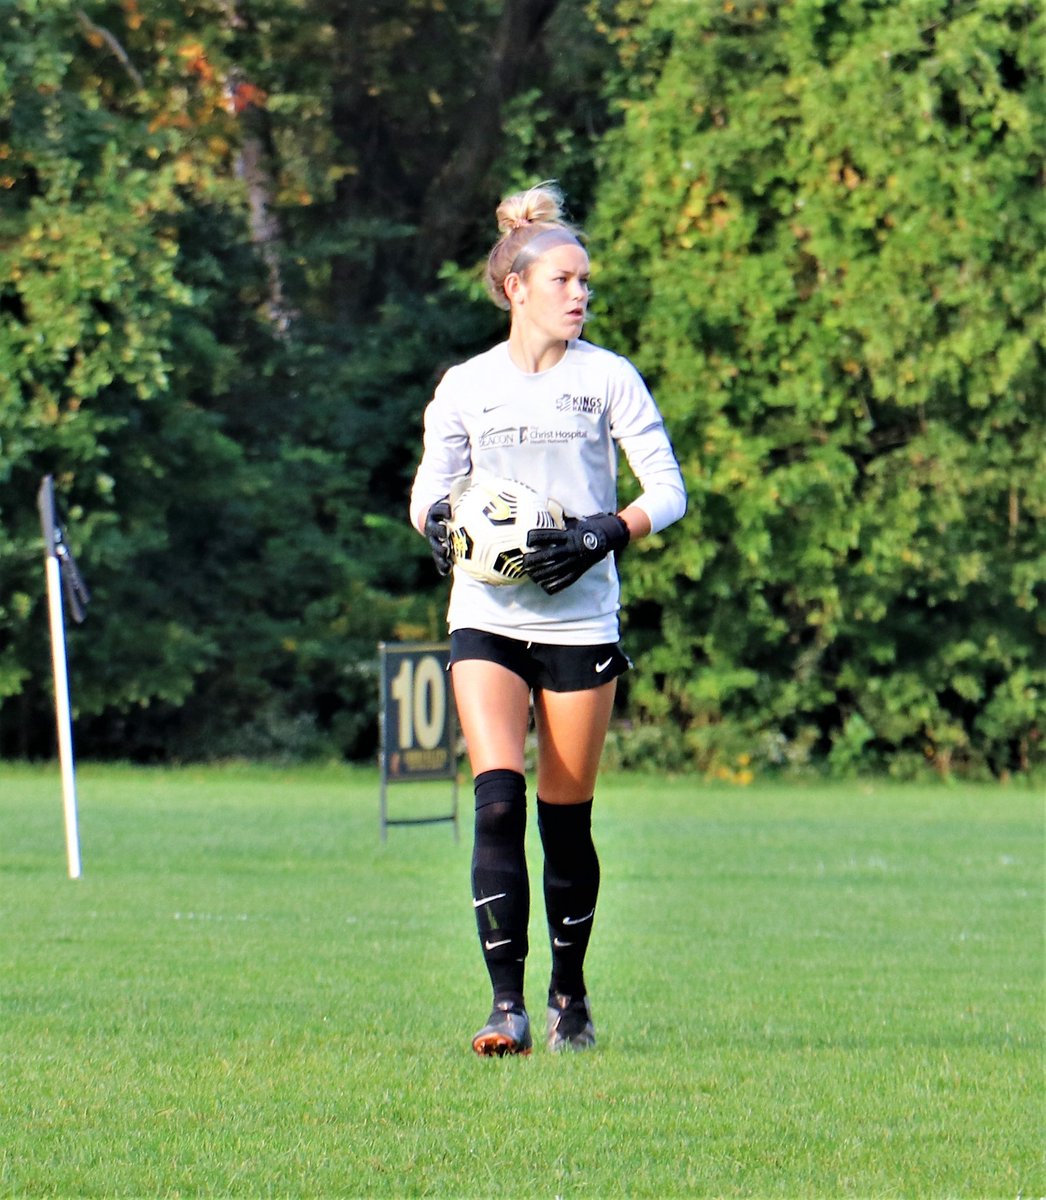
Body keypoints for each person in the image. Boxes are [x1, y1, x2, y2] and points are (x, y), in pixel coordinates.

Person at [409, 181, 686, 1056]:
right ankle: (506, 1008)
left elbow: (668, 492)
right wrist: (441, 525)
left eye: (587, 283)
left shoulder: (608, 378)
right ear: (515, 287)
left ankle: (569, 997)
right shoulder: (466, 386)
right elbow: (427, 493)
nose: (580, 295)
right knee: (497, 804)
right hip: (487, 615)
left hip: (580, 623)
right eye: (565, 279)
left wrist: (608, 530)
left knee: (565, 822)